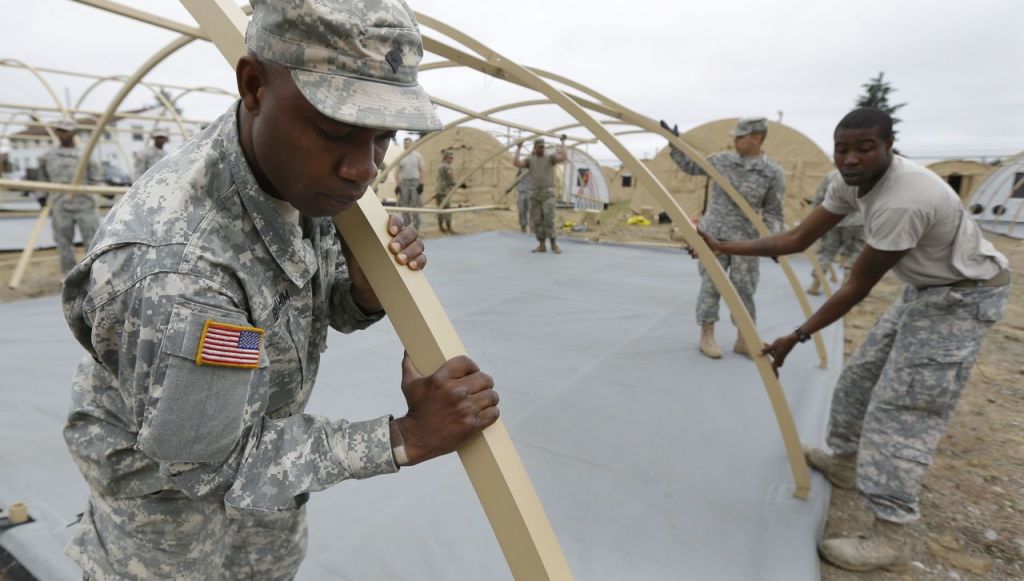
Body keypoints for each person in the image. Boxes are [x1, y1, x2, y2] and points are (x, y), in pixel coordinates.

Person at [60, 1, 500, 578]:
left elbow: (298, 304)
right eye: (338, 131)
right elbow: (206, 464)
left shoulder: (293, 167)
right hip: (167, 513)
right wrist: (405, 438)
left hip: (268, 482)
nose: (364, 169)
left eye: (382, 138)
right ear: (253, 85)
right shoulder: (179, 270)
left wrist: (361, 293)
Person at [697, 107, 1010, 573]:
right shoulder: (847, 180)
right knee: (859, 378)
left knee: (902, 409)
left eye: (864, 148)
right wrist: (723, 247)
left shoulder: (907, 198)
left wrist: (797, 335)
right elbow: (798, 238)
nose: (851, 158)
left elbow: (855, 287)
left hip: (963, 299)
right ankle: (845, 462)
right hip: (925, 289)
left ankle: (892, 532)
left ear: (888, 145)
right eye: (843, 148)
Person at [668, 117, 784, 359]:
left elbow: (773, 212)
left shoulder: (772, 172)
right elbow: (691, 166)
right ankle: (707, 334)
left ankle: (744, 338)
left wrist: (771, 240)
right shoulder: (722, 160)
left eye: (740, 136)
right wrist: (674, 143)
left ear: (756, 138)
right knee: (712, 285)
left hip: (747, 242)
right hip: (713, 236)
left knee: (745, 289)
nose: (734, 140)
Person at [37, 118, 102, 274]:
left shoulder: (86, 154)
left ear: (74, 132)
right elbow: (42, 179)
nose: (63, 134)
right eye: (60, 131)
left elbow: (96, 177)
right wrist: (42, 196)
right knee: (63, 243)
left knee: (92, 240)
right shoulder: (48, 156)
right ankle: (68, 275)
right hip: (60, 205)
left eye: (67, 131)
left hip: (85, 204)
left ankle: (93, 274)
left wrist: (98, 191)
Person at [807, 169, 865, 295]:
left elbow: (819, 197)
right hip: (858, 222)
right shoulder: (869, 174)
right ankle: (845, 289)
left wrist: (816, 220)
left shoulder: (832, 175)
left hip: (833, 220)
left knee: (826, 252)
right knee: (854, 253)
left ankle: (815, 286)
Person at [514, 136, 567, 253]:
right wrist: (519, 148)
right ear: (534, 147)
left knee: (549, 219)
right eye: (539, 147)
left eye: (543, 147)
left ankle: (553, 244)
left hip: (548, 193)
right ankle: (542, 245)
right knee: (537, 220)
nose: (541, 149)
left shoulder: (550, 158)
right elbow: (516, 163)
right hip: (535, 193)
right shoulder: (530, 160)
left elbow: (563, 157)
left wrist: (563, 142)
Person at [396, 136, 424, 229]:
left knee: (415, 204)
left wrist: (421, 183)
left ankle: (416, 227)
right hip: (404, 183)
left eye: (408, 143)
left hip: (415, 182)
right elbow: (397, 172)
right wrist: (397, 185)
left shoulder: (417, 156)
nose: (406, 145)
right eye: (404, 143)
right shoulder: (401, 157)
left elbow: (421, 170)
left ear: (412, 144)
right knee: (404, 205)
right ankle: (407, 226)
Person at [434, 148, 456, 233]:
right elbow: (450, 180)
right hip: (444, 191)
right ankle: (448, 227)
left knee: (440, 209)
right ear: (447, 158)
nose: (452, 160)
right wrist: (460, 185)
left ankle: (441, 227)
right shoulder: (447, 167)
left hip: (438, 190)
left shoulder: (440, 166)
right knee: (447, 209)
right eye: (451, 158)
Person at [514, 165, 532, 233]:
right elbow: (517, 177)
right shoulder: (522, 166)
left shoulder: (538, 165)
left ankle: (532, 229)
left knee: (532, 211)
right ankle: (523, 228)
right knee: (521, 210)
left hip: (532, 192)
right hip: (522, 191)